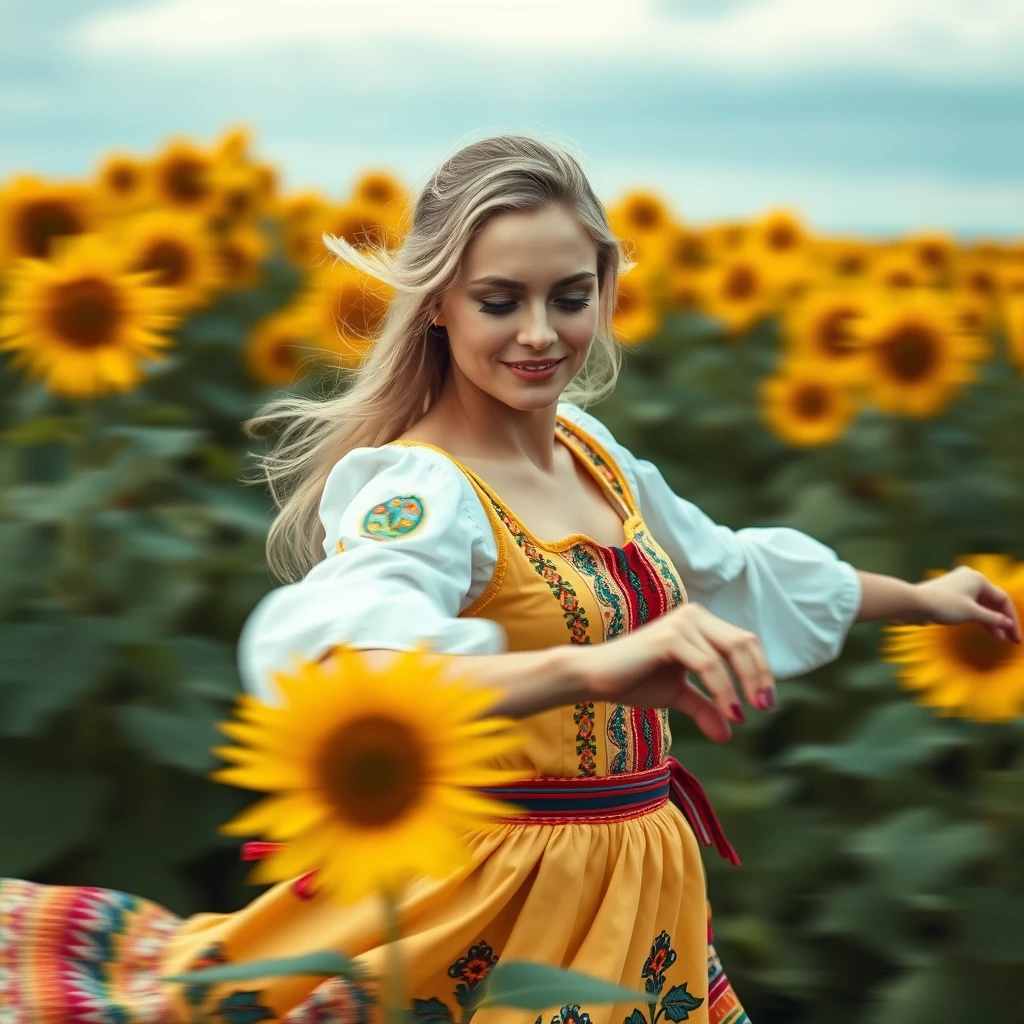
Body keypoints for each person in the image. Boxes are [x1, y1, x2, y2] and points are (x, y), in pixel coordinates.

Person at [1, 133, 1019, 1024]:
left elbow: (729, 567)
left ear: (605, 292)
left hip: (638, 878)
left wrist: (920, 597)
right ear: (439, 303)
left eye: (568, 297)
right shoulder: (421, 489)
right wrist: (592, 667)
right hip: (490, 899)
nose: (540, 333)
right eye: (501, 301)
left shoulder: (593, 452)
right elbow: (366, 673)